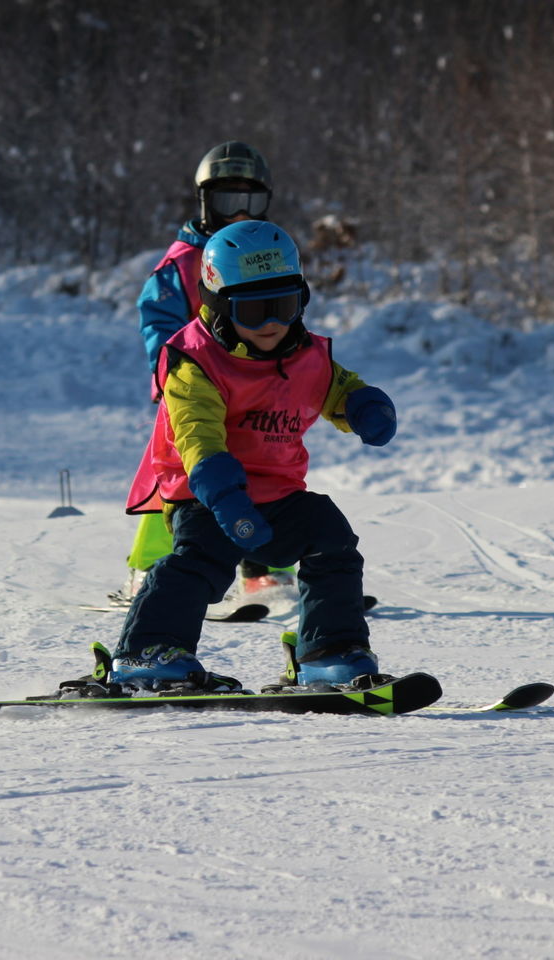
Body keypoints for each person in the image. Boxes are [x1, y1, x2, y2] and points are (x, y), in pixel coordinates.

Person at [110, 220, 397, 691]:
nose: (272, 325)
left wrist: (363, 406)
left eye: (284, 307)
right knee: (201, 560)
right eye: (254, 310)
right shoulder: (193, 362)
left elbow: (336, 386)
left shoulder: (304, 352)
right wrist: (225, 498)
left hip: (278, 497)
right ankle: (148, 652)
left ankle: (330, 651)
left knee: (331, 535)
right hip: (208, 495)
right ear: (219, 305)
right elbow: (197, 436)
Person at [122, 140, 295, 604]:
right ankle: (152, 567)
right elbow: (158, 323)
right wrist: (174, 372)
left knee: (267, 471)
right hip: (194, 389)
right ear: (204, 201)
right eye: (226, 201)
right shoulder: (182, 263)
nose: (239, 213)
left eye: (251, 202)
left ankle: (266, 566)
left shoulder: (266, 253)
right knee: (178, 478)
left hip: (255, 390)